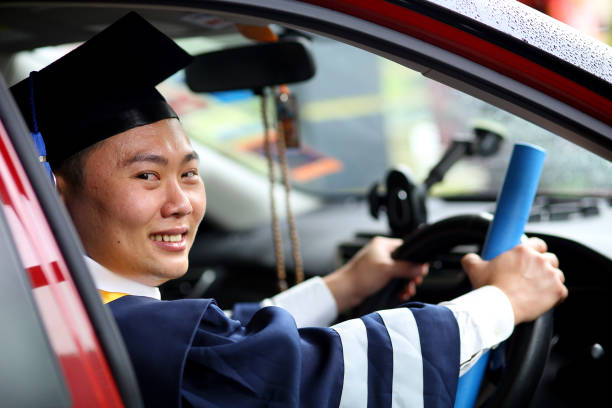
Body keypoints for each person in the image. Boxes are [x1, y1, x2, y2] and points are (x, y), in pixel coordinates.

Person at [10, 12, 568, 408]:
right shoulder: (118, 330)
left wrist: (344, 286)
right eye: (148, 176)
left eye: (190, 173)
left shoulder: (62, 310)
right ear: (53, 194)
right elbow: (306, 377)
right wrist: (502, 302)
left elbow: (234, 346)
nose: (180, 202)